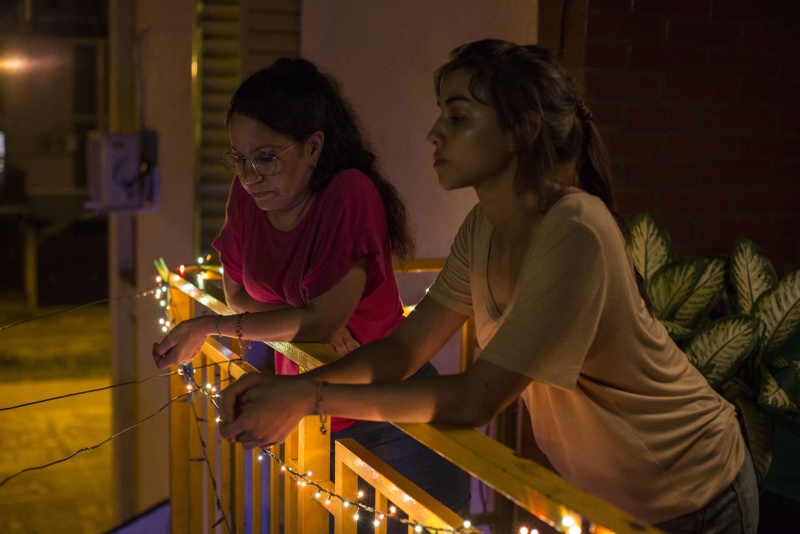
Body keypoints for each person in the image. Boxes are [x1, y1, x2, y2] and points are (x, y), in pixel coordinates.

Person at [215, 40, 759, 534]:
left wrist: (308, 397)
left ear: (522, 129)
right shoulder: (483, 227)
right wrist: (294, 391)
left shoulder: (576, 230)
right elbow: (403, 350)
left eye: (458, 117)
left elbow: (477, 398)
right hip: (610, 500)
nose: (435, 133)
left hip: (693, 490)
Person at [151, 58, 470, 525]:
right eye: (240, 159)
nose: (250, 176)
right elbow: (240, 296)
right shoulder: (247, 198)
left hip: (389, 407)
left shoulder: (349, 194)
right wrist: (306, 320)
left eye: (266, 158)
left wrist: (214, 326)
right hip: (309, 402)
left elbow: (319, 322)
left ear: (313, 146)